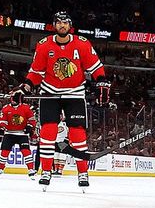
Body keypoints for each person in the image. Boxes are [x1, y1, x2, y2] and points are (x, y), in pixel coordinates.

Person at [15, 11, 109, 191]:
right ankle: (46, 171)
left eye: (65, 22)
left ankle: (83, 172)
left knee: (77, 134)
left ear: (70, 25)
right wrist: (24, 87)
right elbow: (35, 73)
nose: (62, 25)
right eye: (59, 22)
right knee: (48, 132)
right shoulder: (43, 45)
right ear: (54, 25)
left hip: (74, 93)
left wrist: (101, 82)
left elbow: (96, 67)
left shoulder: (81, 44)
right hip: (50, 92)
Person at [0, 92, 37, 178]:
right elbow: (2, 120)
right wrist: (2, 127)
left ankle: (31, 169)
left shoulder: (26, 108)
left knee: (26, 152)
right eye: (12, 100)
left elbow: (32, 120)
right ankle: (0, 169)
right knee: (4, 152)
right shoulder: (6, 108)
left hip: (22, 134)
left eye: (15, 100)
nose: (13, 102)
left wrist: (29, 126)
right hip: (9, 133)